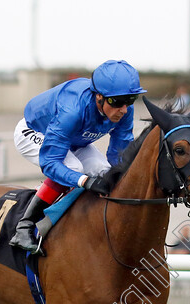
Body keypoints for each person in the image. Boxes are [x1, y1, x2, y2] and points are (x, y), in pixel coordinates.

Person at [9, 59, 147, 253]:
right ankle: (24, 227)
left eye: (130, 101)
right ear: (98, 96)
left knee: (105, 172)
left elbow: (119, 155)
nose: (123, 109)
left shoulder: (124, 110)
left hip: (74, 139)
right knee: (74, 169)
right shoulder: (72, 110)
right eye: (117, 102)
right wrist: (84, 181)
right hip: (34, 132)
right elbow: (50, 162)